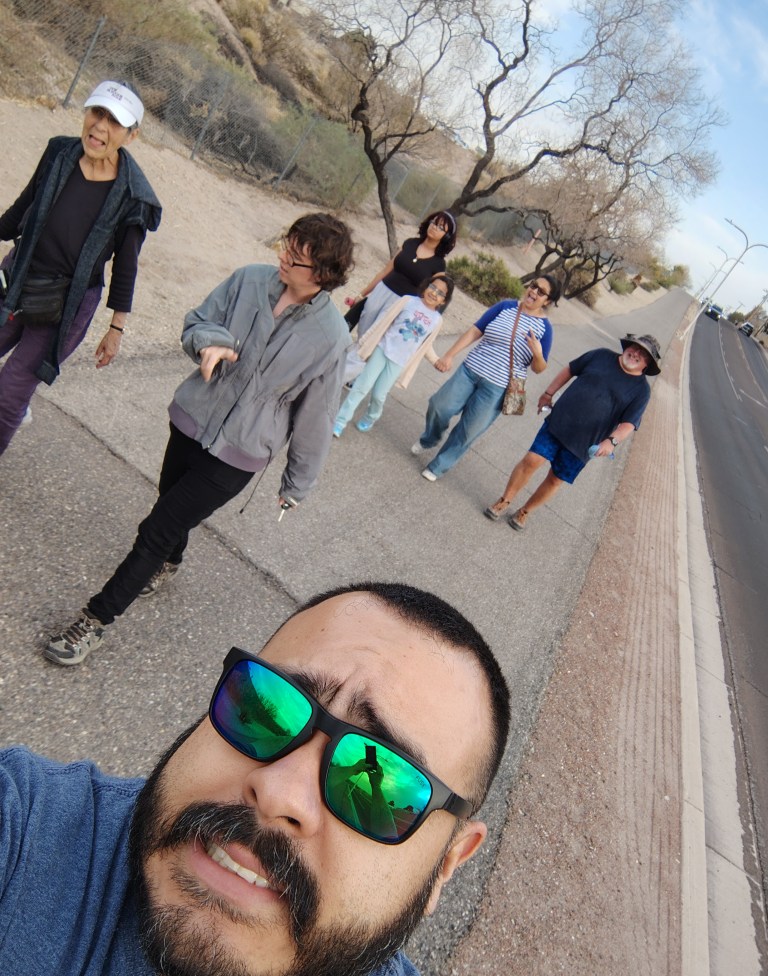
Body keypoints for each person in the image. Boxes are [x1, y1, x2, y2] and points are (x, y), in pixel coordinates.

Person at [1, 582, 511, 976]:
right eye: (263, 709)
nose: (277, 792)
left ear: (447, 862)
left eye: (382, 790)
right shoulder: (27, 832)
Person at [43, 214, 354, 666]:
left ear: (324, 275)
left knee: (157, 527)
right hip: (192, 417)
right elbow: (198, 320)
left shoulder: (331, 338)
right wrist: (209, 343)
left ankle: (96, 621)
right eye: (287, 246)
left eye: (297, 257)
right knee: (170, 501)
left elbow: (318, 415)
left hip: (240, 452)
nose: (283, 258)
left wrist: (296, 483)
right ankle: (171, 561)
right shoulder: (250, 279)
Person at [0, 80, 161, 456]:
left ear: (131, 135)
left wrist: (116, 327)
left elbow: (126, 266)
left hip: (65, 305)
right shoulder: (59, 152)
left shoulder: (135, 197)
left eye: (114, 121)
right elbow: (25, 206)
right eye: (97, 113)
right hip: (18, 276)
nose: (100, 127)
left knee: (10, 389)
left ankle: (13, 411)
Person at [483, 333, 661, 531]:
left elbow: (629, 423)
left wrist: (611, 442)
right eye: (635, 347)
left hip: (586, 443)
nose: (635, 353)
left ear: (647, 364)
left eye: (642, 354)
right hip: (560, 422)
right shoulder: (601, 356)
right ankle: (505, 500)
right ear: (627, 346)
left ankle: (525, 511)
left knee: (555, 478)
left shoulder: (641, 391)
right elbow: (570, 370)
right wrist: (548, 393)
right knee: (532, 460)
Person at [411, 275, 560, 481]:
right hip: (470, 371)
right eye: (534, 286)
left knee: (468, 431)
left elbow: (539, 368)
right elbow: (475, 330)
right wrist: (450, 355)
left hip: (498, 388)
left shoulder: (545, 329)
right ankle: (430, 438)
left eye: (541, 292)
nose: (534, 292)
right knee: (439, 405)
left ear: (548, 301)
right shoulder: (506, 306)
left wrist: (537, 353)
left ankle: (438, 466)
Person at [333, 274, 454, 437]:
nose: (434, 293)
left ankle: (371, 416)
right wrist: (367, 340)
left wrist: (436, 361)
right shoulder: (408, 301)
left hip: (399, 361)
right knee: (361, 386)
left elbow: (426, 345)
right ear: (426, 286)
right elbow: (384, 321)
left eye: (440, 293)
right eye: (433, 287)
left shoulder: (436, 320)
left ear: (443, 301)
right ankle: (340, 421)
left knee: (378, 395)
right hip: (382, 349)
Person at [343, 210, 457, 382]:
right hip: (382, 292)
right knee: (363, 332)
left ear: (446, 236)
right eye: (434, 222)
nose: (435, 228)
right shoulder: (410, 243)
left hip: (401, 304)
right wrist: (362, 293)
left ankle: (344, 377)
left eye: (441, 228)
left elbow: (433, 293)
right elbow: (385, 270)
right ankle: (356, 373)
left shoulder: (438, 264)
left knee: (374, 339)